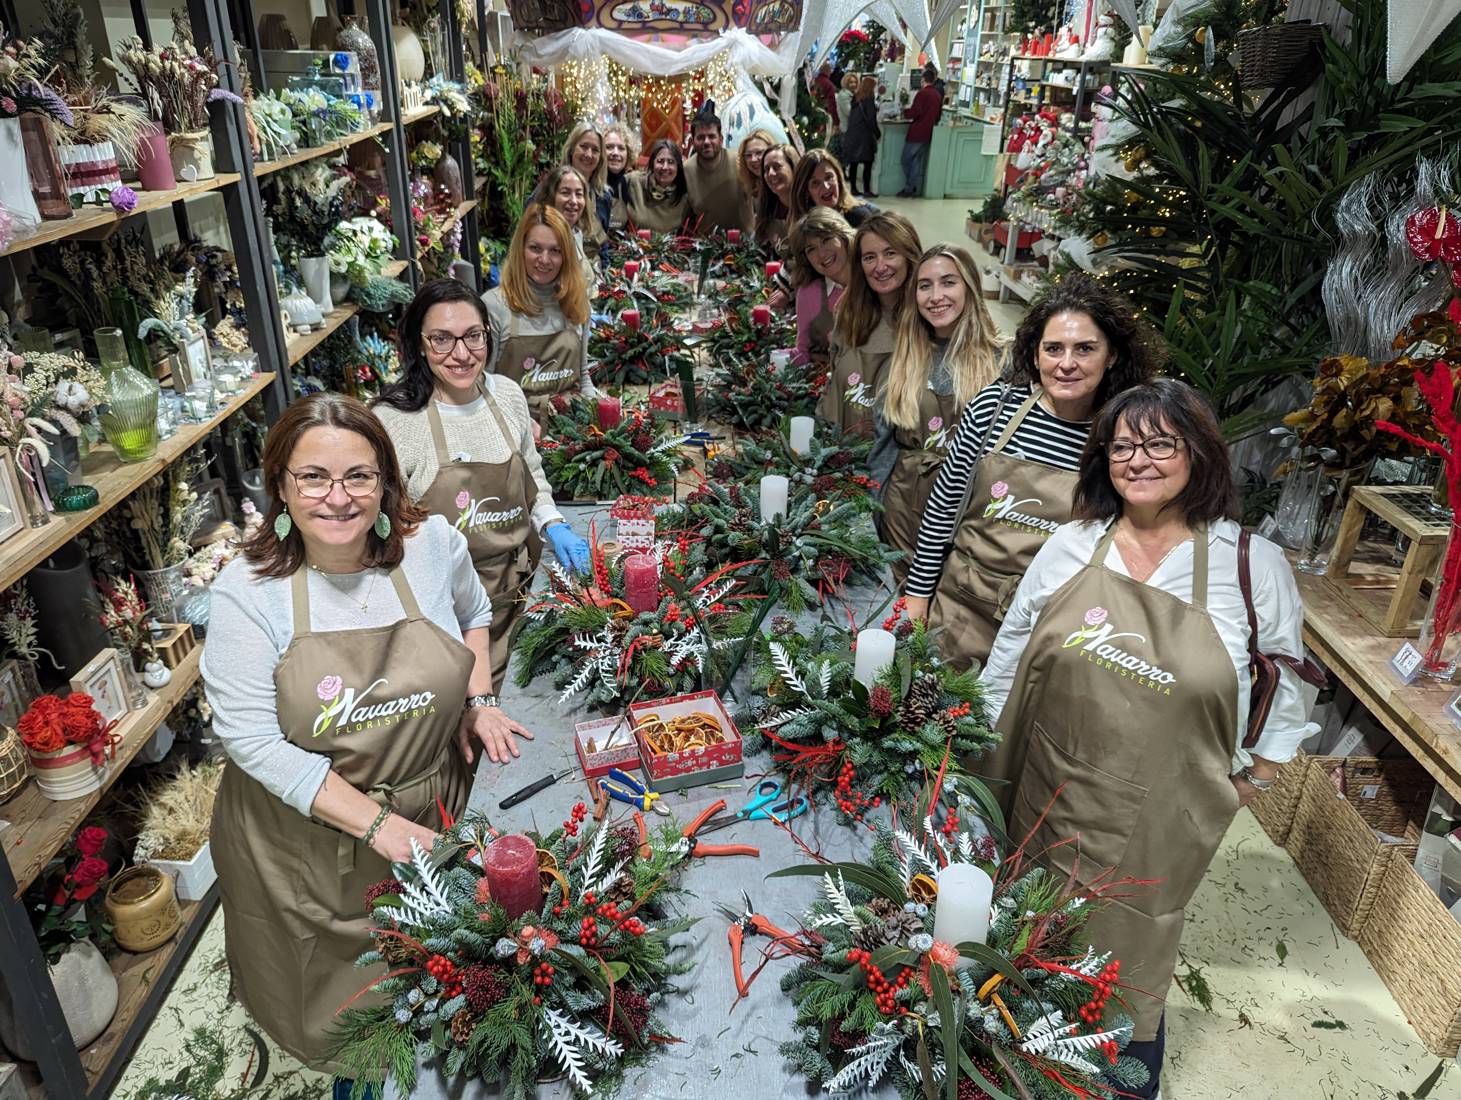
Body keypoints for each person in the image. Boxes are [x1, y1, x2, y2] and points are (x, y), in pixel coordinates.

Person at [981, 378, 1319, 1099]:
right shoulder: (1071, 545)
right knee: (1024, 937)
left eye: (1159, 443)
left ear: (1198, 453)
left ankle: (1115, 1083)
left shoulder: (1248, 565)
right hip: (1046, 789)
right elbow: (1008, 654)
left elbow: (1285, 691)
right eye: (1121, 445)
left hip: (1163, 816)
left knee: (1125, 958)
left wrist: (1247, 783)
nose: (1137, 459)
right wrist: (981, 757)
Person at [203, 392, 534, 1086]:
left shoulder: (430, 546)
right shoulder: (250, 592)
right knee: (329, 992)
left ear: (387, 480)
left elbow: (475, 614)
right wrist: (378, 826)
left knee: (435, 965)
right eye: (313, 478)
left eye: (359, 475)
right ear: (281, 488)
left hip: (425, 806)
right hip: (304, 841)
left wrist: (478, 700)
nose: (337, 498)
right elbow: (253, 742)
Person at [904, 272, 1161, 671]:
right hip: (963, 609)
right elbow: (943, 506)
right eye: (1053, 348)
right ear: (1035, 353)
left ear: (1111, 355)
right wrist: (918, 597)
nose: (1067, 364)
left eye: (1085, 349)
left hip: (1056, 628)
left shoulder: (1123, 432)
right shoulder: (994, 409)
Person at [375, 278, 590, 689]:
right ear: (419, 344)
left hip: (520, 592)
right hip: (447, 615)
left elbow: (533, 475)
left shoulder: (506, 395)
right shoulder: (394, 421)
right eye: (441, 339)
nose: (461, 354)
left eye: (473, 336)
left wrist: (551, 522)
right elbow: (384, 534)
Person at [871, 245, 1001, 587]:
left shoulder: (1001, 360)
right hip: (904, 507)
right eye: (924, 285)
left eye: (948, 282)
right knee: (903, 608)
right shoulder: (903, 359)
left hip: (970, 507)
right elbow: (882, 449)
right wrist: (872, 513)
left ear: (969, 287)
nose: (936, 296)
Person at [481, 203, 594, 424]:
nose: (544, 259)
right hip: (515, 428)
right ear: (520, 250)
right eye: (535, 248)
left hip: (571, 430)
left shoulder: (577, 302)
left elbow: (584, 375)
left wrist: (596, 415)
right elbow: (482, 388)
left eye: (555, 251)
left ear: (567, 257)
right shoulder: (494, 307)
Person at [818, 211, 920, 438]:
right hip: (840, 451)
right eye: (869, 257)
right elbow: (835, 382)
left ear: (909, 255)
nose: (880, 266)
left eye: (890, 253)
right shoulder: (850, 312)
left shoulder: (925, 321)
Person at [786, 208, 854, 366]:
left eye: (826, 239)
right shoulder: (808, 293)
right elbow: (802, 352)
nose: (822, 254)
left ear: (843, 236)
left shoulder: (872, 279)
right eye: (811, 249)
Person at [532, 164, 602, 289]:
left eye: (579, 194)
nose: (574, 201)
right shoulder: (544, 240)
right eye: (565, 193)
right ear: (550, 197)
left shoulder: (575, 232)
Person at [683, 99, 746, 235]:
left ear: (721, 139)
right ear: (693, 142)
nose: (706, 142)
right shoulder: (686, 170)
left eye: (712, 136)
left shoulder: (739, 162)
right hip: (705, 250)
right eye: (700, 137)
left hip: (745, 247)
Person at [789, 148, 877, 227]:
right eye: (815, 183)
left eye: (829, 177)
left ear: (838, 179)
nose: (826, 187)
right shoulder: (803, 225)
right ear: (806, 190)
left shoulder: (859, 217)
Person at [626, 138, 691, 233]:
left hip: (672, 247)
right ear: (653, 163)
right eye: (660, 161)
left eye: (671, 162)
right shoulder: (634, 182)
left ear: (678, 166)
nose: (665, 167)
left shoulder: (685, 194)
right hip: (634, 245)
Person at [560, 122, 611, 242]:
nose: (588, 154)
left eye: (595, 150)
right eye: (583, 146)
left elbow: (602, 246)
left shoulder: (603, 196)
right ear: (571, 149)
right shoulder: (551, 187)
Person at [899, 64, 943, 198]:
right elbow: (938, 115)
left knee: (905, 159)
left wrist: (904, 112)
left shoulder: (922, 93)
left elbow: (916, 111)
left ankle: (909, 187)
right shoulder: (937, 94)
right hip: (928, 132)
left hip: (917, 131)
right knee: (917, 161)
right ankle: (911, 187)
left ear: (923, 80)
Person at [754, 142, 800, 251]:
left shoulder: (812, 207)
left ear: (793, 167)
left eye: (777, 167)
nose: (770, 173)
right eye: (766, 169)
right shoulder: (767, 211)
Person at [842, 76, 881, 198]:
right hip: (864, 137)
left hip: (853, 135)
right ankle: (866, 190)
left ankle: (853, 188)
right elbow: (871, 119)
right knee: (867, 164)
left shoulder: (856, 98)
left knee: (854, 163)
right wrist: (877, 133)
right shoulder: (869, 100)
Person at [736, 127, 776, 227]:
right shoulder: (750, 185)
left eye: (759, 153)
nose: (753, 159)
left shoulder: (781, 183)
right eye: (748, 155)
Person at [602, 122, 634, 230]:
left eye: (621, 148)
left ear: (628, 153)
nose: (615, 153)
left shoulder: (630, 185)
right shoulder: (590, 183)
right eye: (609, 147)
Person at [815, 62, 840, 128]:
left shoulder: (814, 80)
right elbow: (831, 103)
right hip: (824, 115)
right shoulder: (830, 85)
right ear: (828, 71)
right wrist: (835, 122)